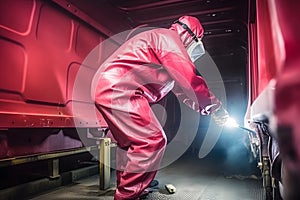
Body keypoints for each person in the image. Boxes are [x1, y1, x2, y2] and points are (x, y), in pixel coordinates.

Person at [91, 15, 229, 200]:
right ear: (190, 36)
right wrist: (216, 107)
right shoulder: (169, 41)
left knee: (129, 145)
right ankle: (128, 195)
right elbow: (189, 81)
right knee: (151, 140)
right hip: (121, 90)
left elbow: (182, 89)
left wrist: (207, 110)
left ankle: (133, 187)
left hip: (114, 88)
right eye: (198, 42)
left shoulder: (163, 42)